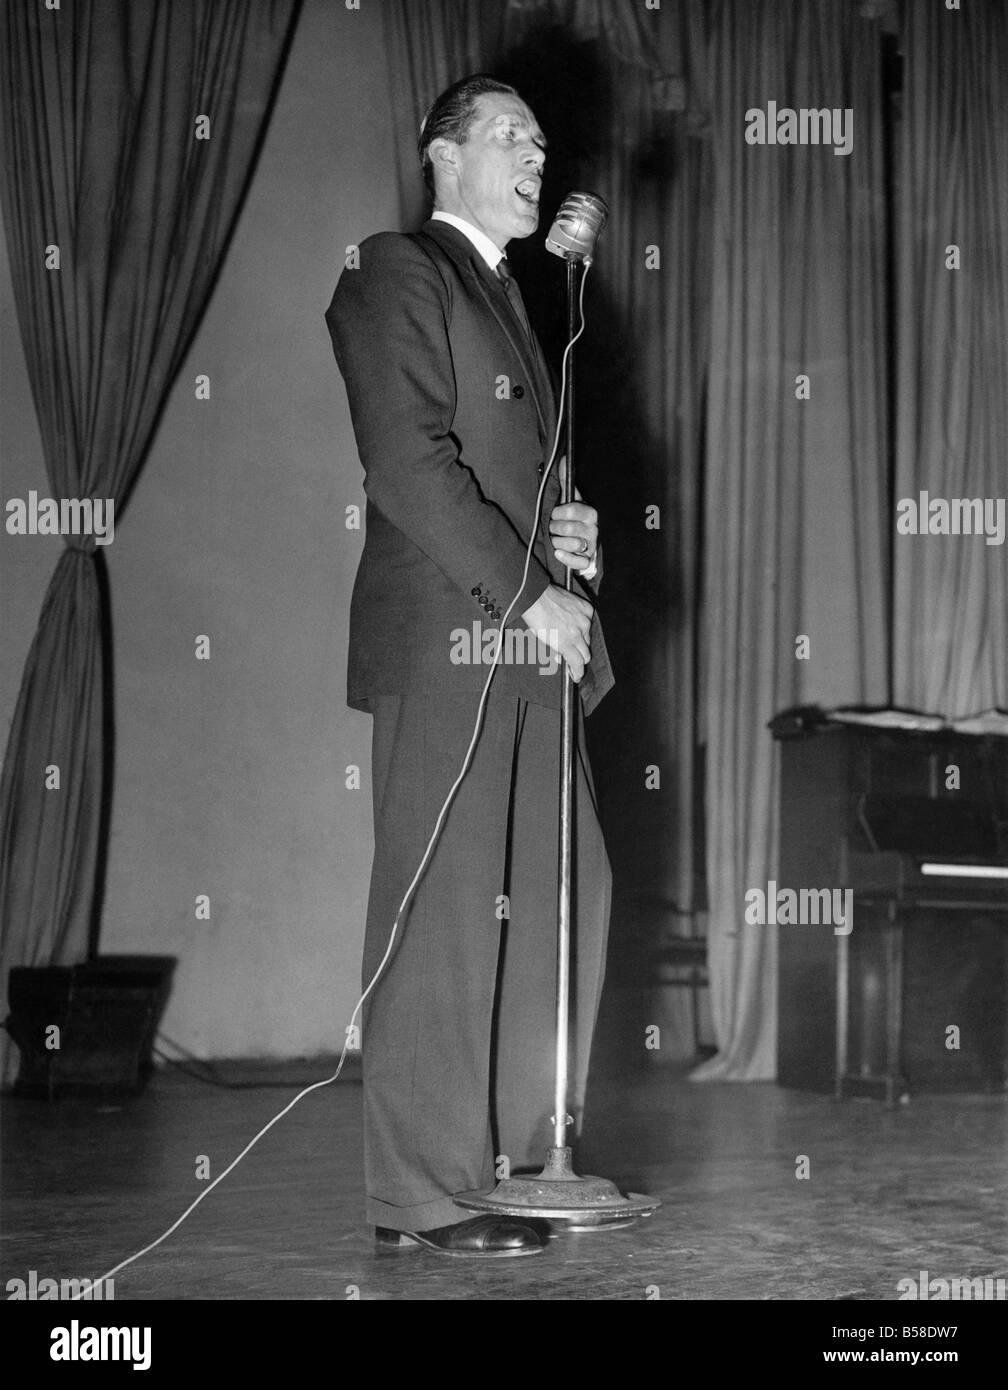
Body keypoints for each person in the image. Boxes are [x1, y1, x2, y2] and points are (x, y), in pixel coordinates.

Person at [325, 74, 613, 1259]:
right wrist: (529, 586)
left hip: (525, 639)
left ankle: (506, 1161)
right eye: (511, 134)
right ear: (440, 155)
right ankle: (422, 1194)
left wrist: (567, 539)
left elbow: (500, 473)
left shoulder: (518, 306)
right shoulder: (396, 268)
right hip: (457, 636)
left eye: (543, 138)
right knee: (444, 909)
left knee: (566, 887)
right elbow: (405, 460)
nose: (537, 152)